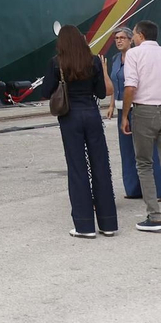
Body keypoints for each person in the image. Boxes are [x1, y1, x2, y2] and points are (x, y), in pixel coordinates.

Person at [37, 25, 119, 238]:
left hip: (70, 117)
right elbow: (101, 92)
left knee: (77, 168)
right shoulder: (93, 61)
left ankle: (84, 225)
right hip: (92, 114)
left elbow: (46, 91)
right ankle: (108, 224)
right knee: (100, 166)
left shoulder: (56, 63)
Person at [120, 19, 161, 234]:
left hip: (144, 111)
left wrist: (126, 115)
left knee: (145, 164)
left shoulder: (134, 54)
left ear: (139, 35)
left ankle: (154, 217)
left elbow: (130, 86)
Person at [109, 27, 161, 202]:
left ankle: (158, 189)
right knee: (127, 150)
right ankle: (133, 189)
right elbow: (114, 84)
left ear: (131, 39)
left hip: (138, 107)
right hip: (120, 107)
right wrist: (111, 104)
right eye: (116, 38)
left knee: (148, 149)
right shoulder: (115, 59)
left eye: (122, 37)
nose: (119, 41)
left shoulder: (138, 57)